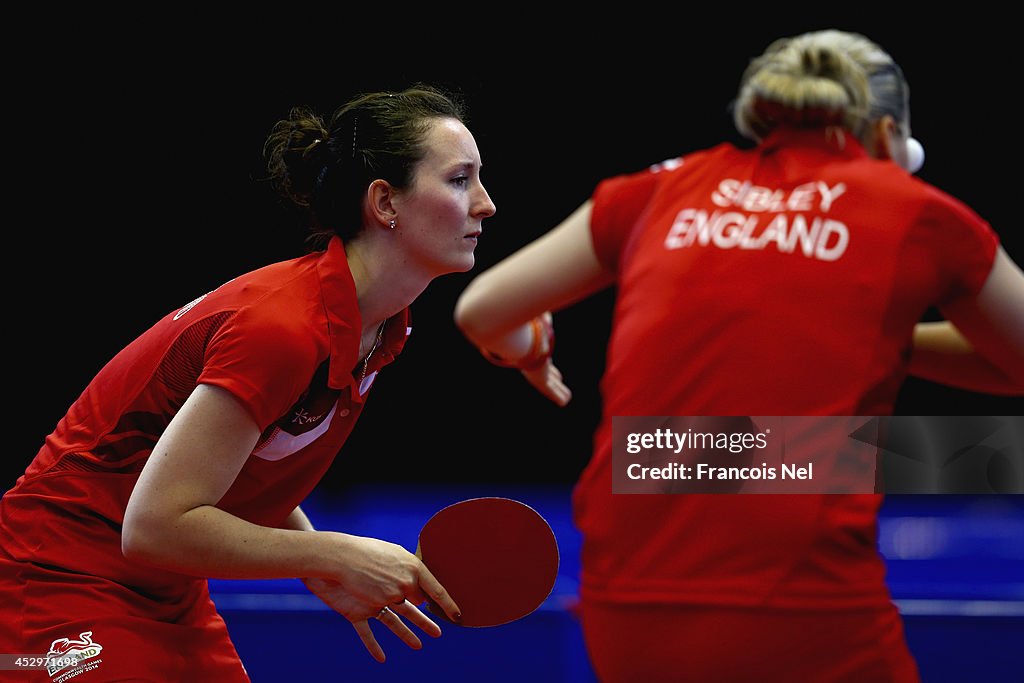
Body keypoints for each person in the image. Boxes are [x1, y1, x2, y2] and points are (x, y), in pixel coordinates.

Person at [454, 30, 1023, 683]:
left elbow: (481, 311)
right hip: (800, 604)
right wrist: (877, 335)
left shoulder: (659, 189)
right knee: (879, 452)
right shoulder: (918, 210)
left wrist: (531, 350)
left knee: (742, 450)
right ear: (887, 135)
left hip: (621, 603)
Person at [0, 83, 496, 679]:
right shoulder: (280, 329)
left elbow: (244, 458)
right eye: (460, 179)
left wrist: (318, 567)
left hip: (168, 591)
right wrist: (333, 553)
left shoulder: (380, 330)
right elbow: (154, 526)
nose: (486, 203)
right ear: (385, 203)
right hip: (54, 577)